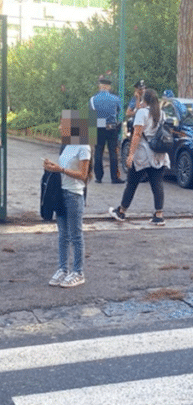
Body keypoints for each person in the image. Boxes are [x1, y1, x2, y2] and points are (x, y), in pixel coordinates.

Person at [42, 110, 93, 288]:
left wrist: (61, 170)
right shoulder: (67, 145)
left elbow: (83, 175)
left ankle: (78, 272)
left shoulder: (83, 146)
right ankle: (63, 268)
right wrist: (51, 167)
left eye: (62, 125)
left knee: (75, 235)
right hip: (61, 193)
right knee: (63, 235)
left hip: (74, 194)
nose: (59, 127)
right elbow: (61, 168)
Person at [108, 88, 170, 225]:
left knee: (132, 183)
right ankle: (159, 215)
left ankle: (121, 211)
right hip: (159, 154)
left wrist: (131, 155)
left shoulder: (142, 113)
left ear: (145, 100)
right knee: (157, 184)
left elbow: (136, 135)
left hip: (142, 154)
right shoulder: (161, 114)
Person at [90, 77, 123, 184]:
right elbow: (118, 111)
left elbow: (91, 115)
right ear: (109, 87)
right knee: (113, 152)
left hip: (98, 126)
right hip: (111, 126)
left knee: (98, 151)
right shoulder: (116, 99)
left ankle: (98, 177)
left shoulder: (93, 99)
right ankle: (114, 177)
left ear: (100, 86)